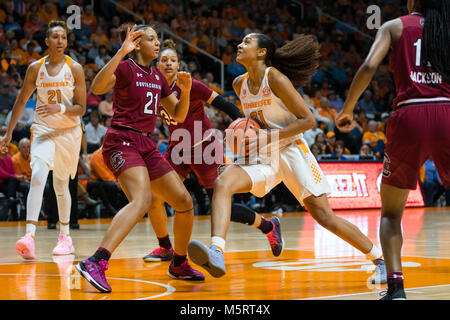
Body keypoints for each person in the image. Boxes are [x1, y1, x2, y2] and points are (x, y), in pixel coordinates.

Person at [188, 33, 387, 284]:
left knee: (324, 216)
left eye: (247, 42)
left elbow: (308, 120)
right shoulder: (240, 84)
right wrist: (242, 136)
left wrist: (265, 137)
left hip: (292, 151)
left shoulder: (275, 78)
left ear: (262, 52)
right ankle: (216, 251)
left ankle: (380, 260)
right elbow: (255, 123)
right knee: (222, 183)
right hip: (264, 153)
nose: (239, 44)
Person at [75, 24, 204, 293]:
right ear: (137, 43)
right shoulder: (125, 67)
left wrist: (187, 89)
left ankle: (178, 262)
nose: (157, 43)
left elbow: (178, 115)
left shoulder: (157, 76)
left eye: (157, 39)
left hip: (146, 142)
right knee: (142, 199)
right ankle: (95, 261)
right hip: (122, 140)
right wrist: (121, 52)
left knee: (183, 201)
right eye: (151, 39)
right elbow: (97, 88)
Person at [336, 0, 450, 300]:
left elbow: (369, 65)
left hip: (410, 115)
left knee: (390, 214)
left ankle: (396, 288)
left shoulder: (394, 25)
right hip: (448, 112)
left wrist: (348, 109)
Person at [142, 40, 284, 263]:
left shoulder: (192, 85)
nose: (168, 63)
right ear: (156, 63)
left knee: (219, 203)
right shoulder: (152, 87)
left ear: (179, 64)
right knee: (154, 197)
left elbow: (223, 104)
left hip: (204, 149)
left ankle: (268, 225)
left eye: (173, 60)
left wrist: (245, 125)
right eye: (164, 60)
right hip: (177, 148)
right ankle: (165, 247)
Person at [0, 21, 86, 259]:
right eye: (55, 37)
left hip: (69, 131)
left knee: (60, 185)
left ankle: (65, 237)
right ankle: (29, 236)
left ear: (67, 42)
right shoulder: (35, 68)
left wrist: (58, 107)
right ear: (46, 41)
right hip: (43, 128)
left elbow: (81, 108)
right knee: (38, 175)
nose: (60, 41)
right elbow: (20, 102)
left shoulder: (75, 68)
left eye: (64, 37)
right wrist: (7, 135)